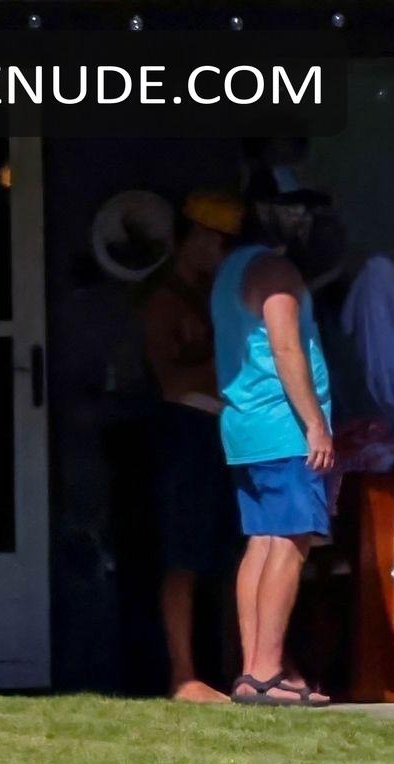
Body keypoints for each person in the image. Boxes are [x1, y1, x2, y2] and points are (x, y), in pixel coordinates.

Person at [217, 189, 336, 706]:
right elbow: (286, 349)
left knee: (263, 542)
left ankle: (253, 672)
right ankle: (266, 671)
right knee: (290, 542)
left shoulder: (231, 269)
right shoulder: (275, 272)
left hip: (246, 429)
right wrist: (315, 425)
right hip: (284, 430)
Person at [142, 189, 244, 703]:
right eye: (214, 241)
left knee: (231, 556)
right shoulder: (163, 299)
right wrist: (229, 362)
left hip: (226, 434)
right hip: (184, 432)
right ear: (193, 238)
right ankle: (183, 675)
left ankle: (237, 668)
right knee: (183, 556)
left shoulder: (216, 297)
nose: (220, 253)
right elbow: (170, 382)